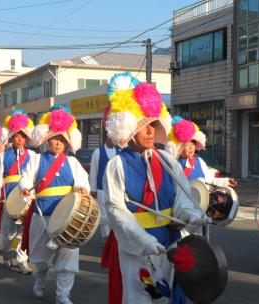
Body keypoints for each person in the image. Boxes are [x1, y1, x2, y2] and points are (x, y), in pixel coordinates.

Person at [102, 72, 210, 304]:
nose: (151, 131)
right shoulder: (116, 165)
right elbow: (115, 210)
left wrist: (192, 215)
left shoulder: (167, 160)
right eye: (143, 126)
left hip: (169, 241)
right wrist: (144, 241)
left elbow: (182, 197)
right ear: (128, 130)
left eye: (153, 124)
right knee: (139, 296)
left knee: (164, 296)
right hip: (137, 245)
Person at [20, 104, 89, 304]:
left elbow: (82, 182)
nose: (57, 143)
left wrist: (83, 189)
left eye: (61, 140)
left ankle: (63, 295)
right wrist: (24, 188)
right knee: (41, 259)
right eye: (54, 139)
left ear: (67, 143)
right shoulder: (37, 159)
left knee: (68, 259)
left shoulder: (73, 163)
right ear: (46, 140)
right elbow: (25, 179)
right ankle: (39, 281)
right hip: (42, 214)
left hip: (68, 218)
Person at [0, 109, 35, 274]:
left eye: (22, 136)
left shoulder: (33, 156)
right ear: (12, 137)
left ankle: (22, 260)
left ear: (26, 138)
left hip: (27, 196)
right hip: (9, 195)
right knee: (8, 233)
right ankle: (6, 252)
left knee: (24, 231)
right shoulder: (3, 155)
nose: (19, 139)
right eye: (16, 136)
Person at [165, 115, 236, 188]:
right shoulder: (173, 164)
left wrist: (225, 182)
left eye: (193, 143)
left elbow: (209, 179)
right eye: (187, 144)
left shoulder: (198, 161)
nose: (191, 147)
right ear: (178, 146)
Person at [90, 131, 119, 241]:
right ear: (107, 138)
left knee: (113, 212)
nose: (114, 141)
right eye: (112, 139)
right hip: (101, 188)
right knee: (103, 213)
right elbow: (93, 171)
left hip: (115, 189)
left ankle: (112, 235)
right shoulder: (98, 152)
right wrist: (93, 189)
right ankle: (105, 235)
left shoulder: (118, 152)